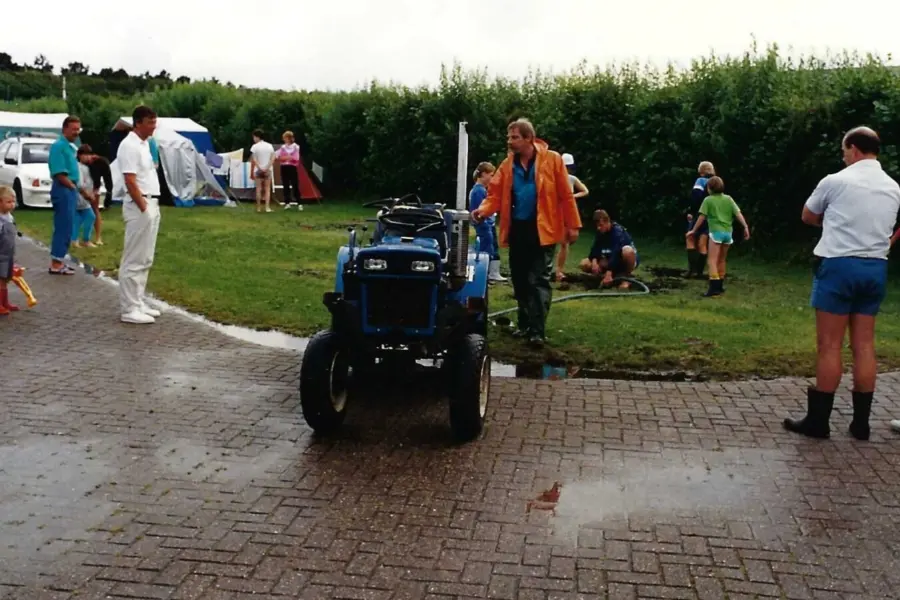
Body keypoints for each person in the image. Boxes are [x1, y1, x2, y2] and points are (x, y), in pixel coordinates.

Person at [783, 126, 900, 441]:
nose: (843, 156)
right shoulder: (893, 187)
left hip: (838, 265)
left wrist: (832, 221)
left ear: (854, 148)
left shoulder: (835, 181)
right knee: (864, 345)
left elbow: (808, 215)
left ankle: (819, 422)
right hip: (875, 266)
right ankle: (860, 424)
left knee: (830, 345)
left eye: (844, 150)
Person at [471, 118, 581, 347]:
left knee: (538, 280)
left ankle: (537, 331)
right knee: (520, 280)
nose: (510, 141)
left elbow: (565, 195)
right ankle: (524, 326)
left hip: (544, 229)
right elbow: (494, 195)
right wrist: (482, 211)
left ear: (529, 138)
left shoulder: (553, 160)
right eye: (509, 137)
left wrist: (572, 225)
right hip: (518, 229)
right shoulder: (507, 165)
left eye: (515, 137)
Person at [117, 105, 162, 325]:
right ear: (138, 123)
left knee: (146, 257)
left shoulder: (145, 145)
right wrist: (143, 207)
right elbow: (130, 179)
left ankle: (138, 300)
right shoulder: (129, 146)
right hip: (140, 204)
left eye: (155, 121)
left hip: (151, 201)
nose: (154, 126)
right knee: (134, 258)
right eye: (150, 122)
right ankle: (129, 308)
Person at [685, 176, 750, 297]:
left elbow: (701, 217)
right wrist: (745, 226)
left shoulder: (708, 200)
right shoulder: (728, 199)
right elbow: (738, 214)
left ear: (709, 188)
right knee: (721, 260)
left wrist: (693, 230)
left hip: (716, 233)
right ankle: (720, 285)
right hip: (728, 233)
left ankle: (713, 287)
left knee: (712, 260)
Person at [47, 115, 83, 275]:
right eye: (73, 129)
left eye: (78, 129)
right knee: (63, 226)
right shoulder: (58, 146)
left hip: (70, 189)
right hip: (63, 189)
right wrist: (72, 187)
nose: (77, 132)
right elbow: (59, 173)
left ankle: (60, 259)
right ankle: (55, 263)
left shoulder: (70, 147)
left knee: (69, 226)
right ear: (65, 129)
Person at [579, 209, 638, 289]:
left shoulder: (618, 232)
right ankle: (603, 277)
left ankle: (626, 278)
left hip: (622, 260)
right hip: (609, 259)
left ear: (607, 222)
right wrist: (594, 262)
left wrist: (609, 272)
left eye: (600, 225)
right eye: (597, 225)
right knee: (584, 264)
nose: (598, 228)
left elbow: (617, 253)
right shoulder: (600, 232)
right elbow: (594, 249)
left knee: (627, 251)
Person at [468, 162, 506, 283]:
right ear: (483, 174)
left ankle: (493, 273)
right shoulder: (478, 191)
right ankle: (486, 274)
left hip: (488, 224)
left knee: (492, 246)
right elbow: (480, 209)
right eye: (491, 174)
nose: (492, 178)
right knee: (486, 247)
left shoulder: (481, 190)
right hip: (484, 224)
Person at [555, 153, 589, 282]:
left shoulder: (572, 179)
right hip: (557, 210)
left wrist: (573, 197)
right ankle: (558, 271)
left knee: (569, 239)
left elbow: (585, 191)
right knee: (562, 242)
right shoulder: (554, 178)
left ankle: (559, 269)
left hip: (568, 210)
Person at [77, 144, 112, 245]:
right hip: (82, 189)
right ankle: (77, 237)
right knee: (81, 212)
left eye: (89, 155)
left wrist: (108, 193)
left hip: (94, 188)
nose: (88, 158)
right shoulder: (78, 163)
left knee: (94, 210)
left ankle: (97, 237)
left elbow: (107, 178)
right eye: (85, 155)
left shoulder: (100, 162)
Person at [685, 161, 715, 278]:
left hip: (700, 214)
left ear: (701, 170)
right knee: (703, 243)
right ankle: (699, 272)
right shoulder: (716, 182)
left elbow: (696, 196)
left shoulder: (700, 181)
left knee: (690, 238)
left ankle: (691, 270)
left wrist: (691, 211)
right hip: (711, 216)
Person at [0, 186, 18, 315]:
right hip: (0, 255)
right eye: (8, 202)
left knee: (6, 279)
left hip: (8, 253)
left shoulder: (9, 217)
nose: (12, 205)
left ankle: (5, 302)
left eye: (13, 202)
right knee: (0, 279)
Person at [275, 131, 304, 211]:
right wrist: (286, 158)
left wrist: (286, 158)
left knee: (295, 184)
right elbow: (277, 157)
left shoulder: (296, 147)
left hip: (292, 167)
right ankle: (287, 203)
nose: (284, 139)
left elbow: (296, 158)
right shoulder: (283, 147)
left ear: (288, 138)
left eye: (285, 138)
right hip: (284, 167)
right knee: (285, 184)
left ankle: (299, 203)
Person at [72, 161, 97, 248]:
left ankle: (86, 240)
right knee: (77, 219)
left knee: (90, 216)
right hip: (77, 195)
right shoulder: (78, 167)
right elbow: (79, 184)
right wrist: (88, 195)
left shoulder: (89, 167)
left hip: (85, 198)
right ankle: (74, 240)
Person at [250, 129, 275, 213]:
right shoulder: (269, 146)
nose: (253, 139)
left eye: (254, 137)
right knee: (267, 189)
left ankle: (258, 208)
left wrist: (260, 168)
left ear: (257, 137)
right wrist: (267, 167)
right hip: (268, 170)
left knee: (258, 189)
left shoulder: (254, 147)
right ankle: (267, 207)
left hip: (258, 170)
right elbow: (272, 158)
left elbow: (254, 159)